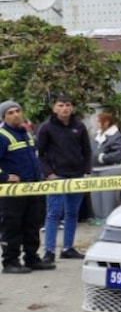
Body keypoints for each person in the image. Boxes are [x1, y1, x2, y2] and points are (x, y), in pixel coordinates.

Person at [1, 100, 56, 274]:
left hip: (32, 187)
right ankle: (10, 261)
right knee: (12, 226)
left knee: (32, 224)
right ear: (3, 117)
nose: (15, 114)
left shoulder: (26, 133)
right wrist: (5, 177)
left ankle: (32, 258)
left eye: (17, 111)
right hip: (12, 192)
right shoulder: (2, 136)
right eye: (10, 112)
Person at [36, 95, 94, 262]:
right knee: (54, 213)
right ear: (54, 108)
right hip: (57, 176)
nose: (65, 108)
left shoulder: (79, 126)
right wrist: (49, 174)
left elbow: (87, 151)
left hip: (77, 175)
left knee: (72, 213)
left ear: (72, 108)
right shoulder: (46, 128)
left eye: (68, 105)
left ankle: (68, 248)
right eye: (61, 105)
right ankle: (49, 251)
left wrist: (86, 171)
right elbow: (40, 154)